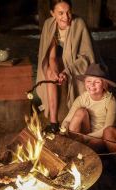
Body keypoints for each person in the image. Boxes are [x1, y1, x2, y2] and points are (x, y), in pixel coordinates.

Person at [36, 0, 98, 133]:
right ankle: (53, 123)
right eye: (61, 13)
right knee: (49, 73)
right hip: (61, 59)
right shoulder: (49, 24)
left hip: (77, 62)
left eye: (68, 11)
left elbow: (86, 57)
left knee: (65, 69)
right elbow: (51, 57)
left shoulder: (79, 23)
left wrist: (67, 71)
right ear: (52, 14)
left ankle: (72, 116)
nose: (66, 17)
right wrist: (55, 72)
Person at [61, 63, 116, 152]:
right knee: (81, 112)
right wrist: (62, 132)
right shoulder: (82, 98)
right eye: (89, 81)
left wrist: (84, 137)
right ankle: (74, 145)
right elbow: (67, 120)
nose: (92, 85)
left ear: (104, 85)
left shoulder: (110, 101)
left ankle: (81, 149)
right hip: (85, 132)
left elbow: (108, 128)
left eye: (97, 82)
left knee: (90, 146)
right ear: (85, 82)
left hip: (101, 135)